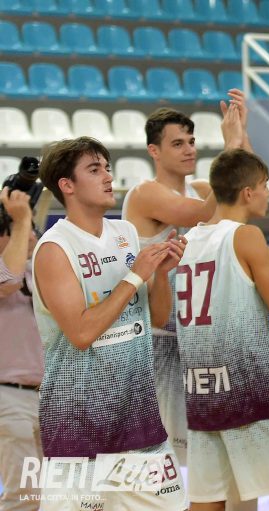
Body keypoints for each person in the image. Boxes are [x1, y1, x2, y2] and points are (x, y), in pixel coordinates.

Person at [32, 137, 187, 509]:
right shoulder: (55, 248)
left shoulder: (125, 234)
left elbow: (157, 318)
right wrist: (134, 276)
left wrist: (160, 274)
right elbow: (82, 333)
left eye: (107, 167)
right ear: (67, 185)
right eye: (94, 169)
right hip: (78, 426)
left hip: (139, 420)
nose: (107, 176)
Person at [175, 144, 269, 511]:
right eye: (265, 185)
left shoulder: (188, 240)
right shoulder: (245, 236)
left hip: (201, 390)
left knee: (208, 501)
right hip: (248, 388)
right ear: (248, 192)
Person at [122, 90, 251, 465]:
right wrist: (231, 146)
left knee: (211, 459)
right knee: (162, 462)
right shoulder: (146, 193)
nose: (189, 149)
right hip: (159, 340)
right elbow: (204, 212)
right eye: (177, 143)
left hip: (200, 337)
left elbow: (247, 193)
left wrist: (242, 136)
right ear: (154, 151)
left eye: (192, 141)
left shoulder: (201, 189)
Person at [0, 187, 43, 511]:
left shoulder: (39, 272)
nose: (29, 235)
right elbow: (8, 281)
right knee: (24, 498)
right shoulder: (8, 276)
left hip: (51, 396)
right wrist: (22, 218)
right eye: (17, 230)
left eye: (31, 230)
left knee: (61, 497)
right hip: (9, 395)